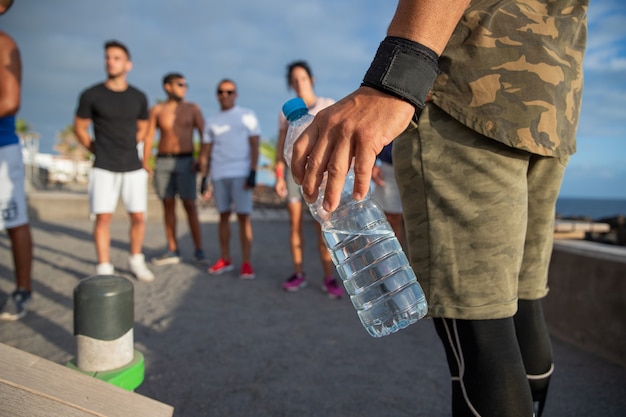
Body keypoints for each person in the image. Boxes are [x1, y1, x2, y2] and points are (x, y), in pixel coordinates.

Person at [289, 0, 588, 416]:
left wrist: (394, 80)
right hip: (552, 102)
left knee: (481, 334)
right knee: (522, 303)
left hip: (467, 96)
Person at [73, 39, 154, 282]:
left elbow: (143, 128)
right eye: (107, 57)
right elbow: (79, 127)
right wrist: (94, 148)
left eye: (116, 58)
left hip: (132, 165)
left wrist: (134, 149)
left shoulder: (138, 96)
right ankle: (104, 265)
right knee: (103, 217)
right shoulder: (92, 94)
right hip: (103, 165)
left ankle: (136, 260)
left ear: (128, 64)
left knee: (138, 216)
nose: (110, 61)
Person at [274, 61, 342, 298]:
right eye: (294, 80)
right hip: (294, 173)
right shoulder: (285, 114)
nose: (299, 83)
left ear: (311, 79)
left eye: (302, 78)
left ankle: (329, 277)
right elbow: (280, 145)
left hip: (320, 173)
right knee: (294, 226)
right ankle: (298, 273)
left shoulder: (326, 104)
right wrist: (279, 175)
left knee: (324, 227)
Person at [144, 72, 206, 266]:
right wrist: (145, 160)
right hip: (163, 161)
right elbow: (148, 136)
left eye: (185, 84)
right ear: (167, 87)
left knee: (190, 205)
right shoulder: (157, 110)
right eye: (180, 84)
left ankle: (199, 250)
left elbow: (205, 135)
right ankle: (172, 249)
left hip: (186, 160)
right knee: (167, 204)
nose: (184, 87)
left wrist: (201, 159)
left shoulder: (192, 108)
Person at [201, 79, 260, 279]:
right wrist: (204, 177)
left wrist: (252, 172)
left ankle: (246, 263)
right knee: (223, 216)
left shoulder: (247, 115)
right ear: (217, 94)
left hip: (241, 173)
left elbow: (255, 145)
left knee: (244, 217)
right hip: (218, 174)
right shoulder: (212, 120)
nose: (225, 95)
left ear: (236, 94)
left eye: (229, 91)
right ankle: (225, 259)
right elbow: (206, 151)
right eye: (221, 91)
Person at [0, 0, 33, 320]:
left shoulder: (5, 44)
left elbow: (10, 102)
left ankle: (23, 290)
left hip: (2, 146)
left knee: (13, 220)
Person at [371, 142, 404, 246]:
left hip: (426, 164)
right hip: (390, 163)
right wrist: (373, 162)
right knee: (390, 220)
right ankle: (394, 260)